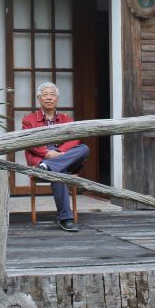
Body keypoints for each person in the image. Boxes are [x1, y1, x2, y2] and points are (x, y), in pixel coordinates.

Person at [22, 82, 89, 232]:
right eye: (45, 95)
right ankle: (66, 218)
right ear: (39, 98)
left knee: (84, 148)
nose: (49, 98)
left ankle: (51, 165)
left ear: (57, 99)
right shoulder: (29, 120)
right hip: (42, 159)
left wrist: (59, 154)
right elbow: (28, 142)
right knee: (59, 172)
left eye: (52, 95)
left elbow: (75, 138)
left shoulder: (66, 118)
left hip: (60, 158)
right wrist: (46, 153)